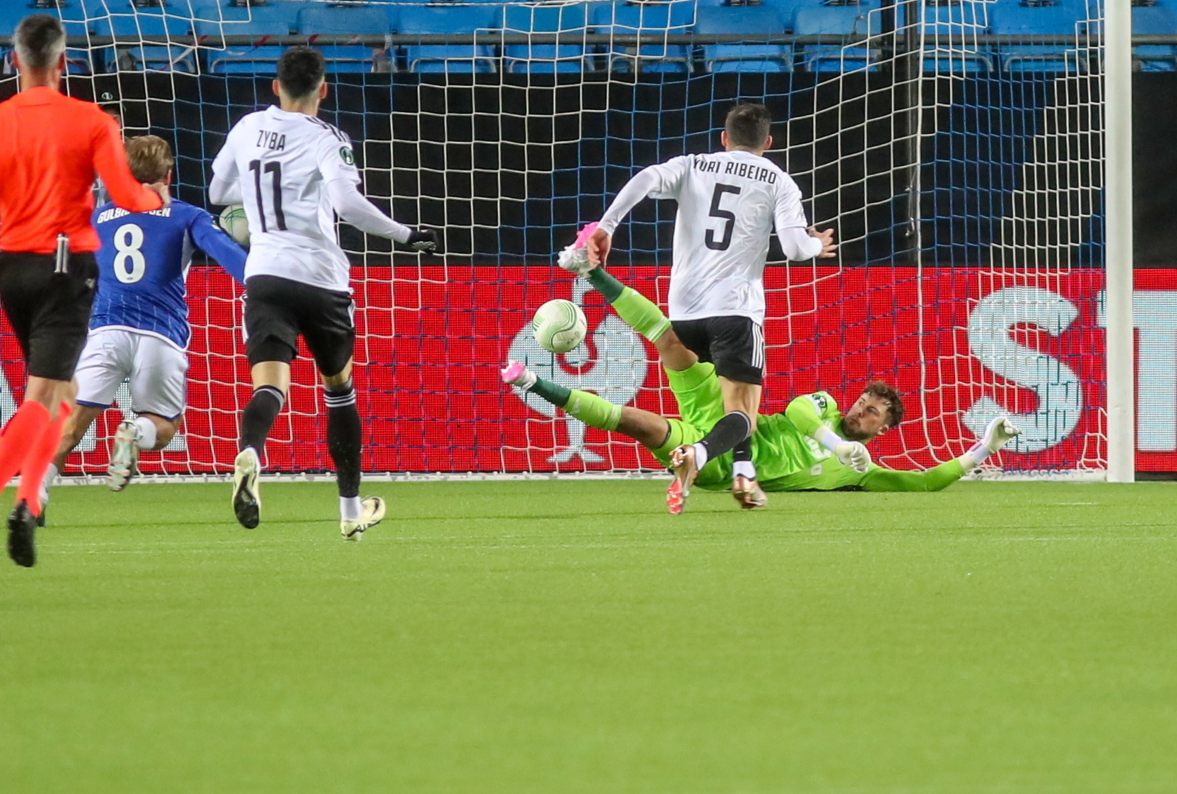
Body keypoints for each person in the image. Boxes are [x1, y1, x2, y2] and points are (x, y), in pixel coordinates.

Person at [0, 14, 162, 577]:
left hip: (11, 271)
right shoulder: (92, 120)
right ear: (64, 63)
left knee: (61, 393)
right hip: (67, 269)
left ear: (14, 62)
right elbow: (128, 193)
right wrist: (158, 204)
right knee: (43, 399)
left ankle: (30, 504)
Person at [501, 265, 1020, 503]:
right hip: (729, 418)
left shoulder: (859, 475)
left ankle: (534, 383)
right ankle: (592, 271)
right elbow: (797, 411)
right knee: (669, 339)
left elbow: (924, 482)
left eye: (871, 414)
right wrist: (837, 442)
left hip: (725, 466)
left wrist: (983, 449)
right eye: (863, 402)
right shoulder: (825, 409)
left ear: (882, 430)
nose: (860, 411)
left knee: (638, 424)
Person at [209, 47, 436, 540]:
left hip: (264, 274)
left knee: (270, 386)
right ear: (323, 89)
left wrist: (259, 202)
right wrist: (404, 235)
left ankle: (250, 452)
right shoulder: (327, 137)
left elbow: (218, 190)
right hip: (319, 278)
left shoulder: (246, 128)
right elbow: (347, 203)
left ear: (275, 86)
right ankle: (350, 510)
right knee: (339, 389)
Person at [566, 101, 837, 509]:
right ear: (768, 141)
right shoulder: (779, 180)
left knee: (735, 406)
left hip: (685, 314)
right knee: (743, 411)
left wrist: (606, 226)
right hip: (736, 312)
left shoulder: (694, 164)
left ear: (724, 139)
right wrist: (819, 243)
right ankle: (699, 454)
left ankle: (744, 476)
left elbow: (646, 177)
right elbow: (797, 249)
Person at [40, 134, 247, 511]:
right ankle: (136, 432)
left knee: (68, 428)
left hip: (106, 330)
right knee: (164, 425)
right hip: (160, 335)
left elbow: (66, 272)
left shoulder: (98, 217)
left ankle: (32, 500)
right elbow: (234, 260)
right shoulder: (189, 215)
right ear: (168, 175)